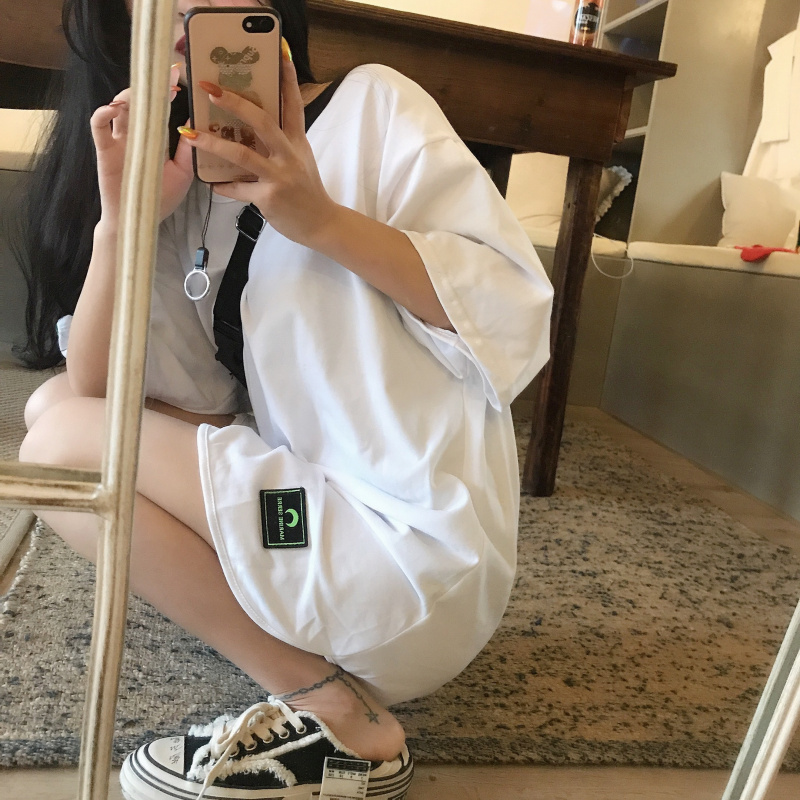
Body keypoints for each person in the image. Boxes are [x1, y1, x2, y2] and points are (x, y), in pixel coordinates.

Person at [17, 0, 554, 797]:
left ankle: (330, 705)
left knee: (58, 443)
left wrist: (319, 218)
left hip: (409, 554)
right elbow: (102, 399)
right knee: (53, 417)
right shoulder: (189, 185)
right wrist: (123, 223)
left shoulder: (375, 105)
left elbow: (513, 314)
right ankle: (315, 658)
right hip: (309, 524)